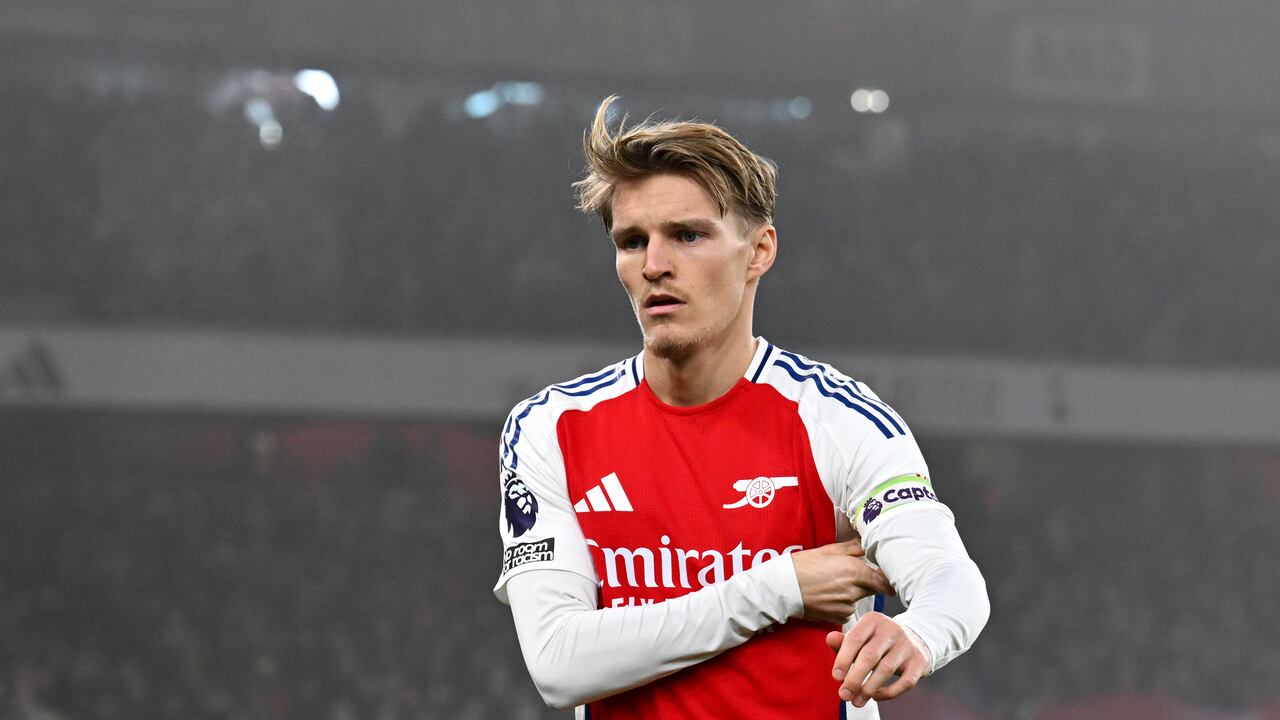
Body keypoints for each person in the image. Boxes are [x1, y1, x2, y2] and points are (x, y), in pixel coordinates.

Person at [494, 96, 989, 719]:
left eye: (688, 235)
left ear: (758, 251)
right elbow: (559, 663)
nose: (653, 265)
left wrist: (917, 634)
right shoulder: (550, 427)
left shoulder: (838, 419)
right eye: (631, 241)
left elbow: (952, 579)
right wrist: (781, 587)